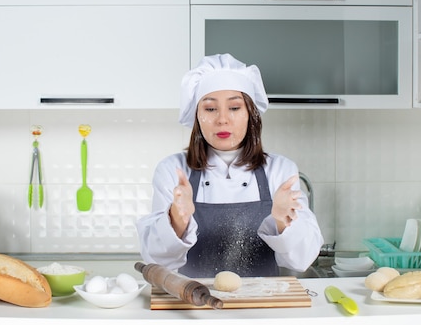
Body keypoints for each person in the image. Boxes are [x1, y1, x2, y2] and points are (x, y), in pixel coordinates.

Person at [137, 54, 323, 278]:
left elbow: (303, 258)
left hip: (262, 305)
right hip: (194, 303)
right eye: (210, 109)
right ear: (197, 116)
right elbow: (156, 261)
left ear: (250, 115)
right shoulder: (173, 170)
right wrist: (178, 217)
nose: (222, 119)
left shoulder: (280, 171)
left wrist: (283, 221)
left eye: (234, 108)